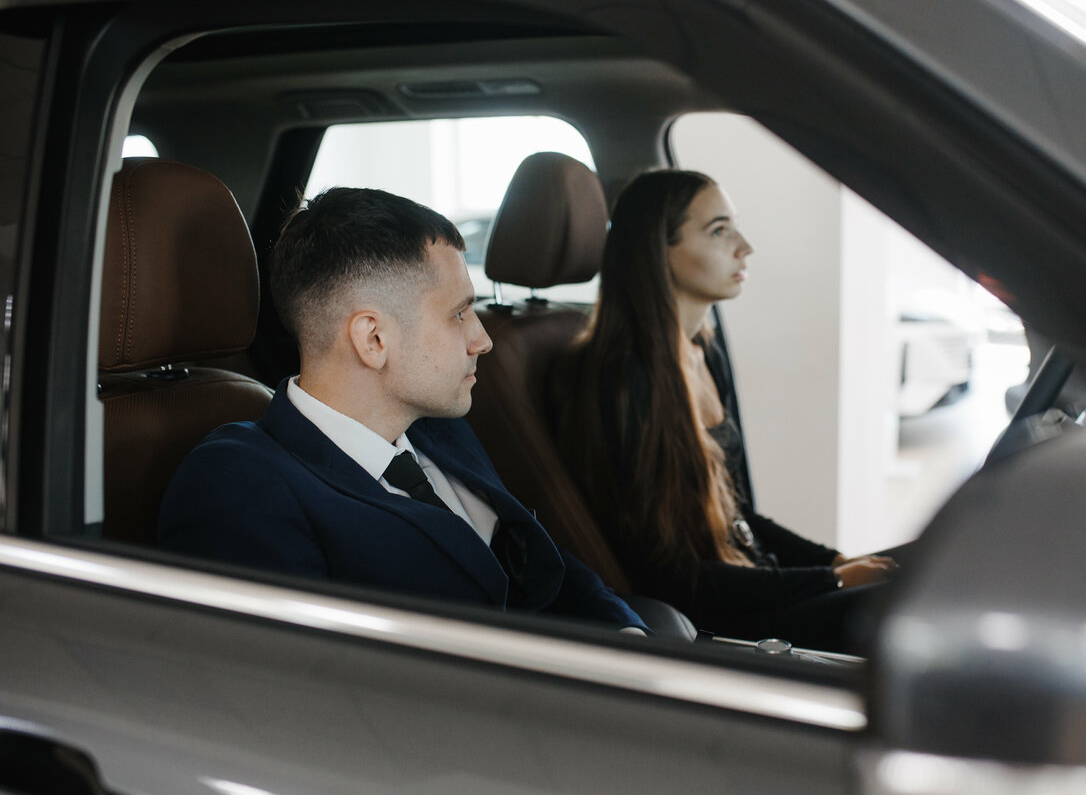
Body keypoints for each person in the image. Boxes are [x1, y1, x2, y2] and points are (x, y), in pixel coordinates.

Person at [158, 187, 645, 633]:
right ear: (373, 339)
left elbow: (531, 560)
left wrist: (626, 633)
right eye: (459, 313)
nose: (483, 339)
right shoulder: (238, 485)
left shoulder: (436, 427)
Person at [552, 169, 894, 652]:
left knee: (914, 565)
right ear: (659, 250)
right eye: (719, 231)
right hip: (713, 617)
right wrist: (830, 580)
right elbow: (672, 576)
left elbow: (740, 516)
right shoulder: (621, 380)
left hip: (748, 580)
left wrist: (836, 562)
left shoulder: (702, 353)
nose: (745, 247)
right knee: (904, 600)